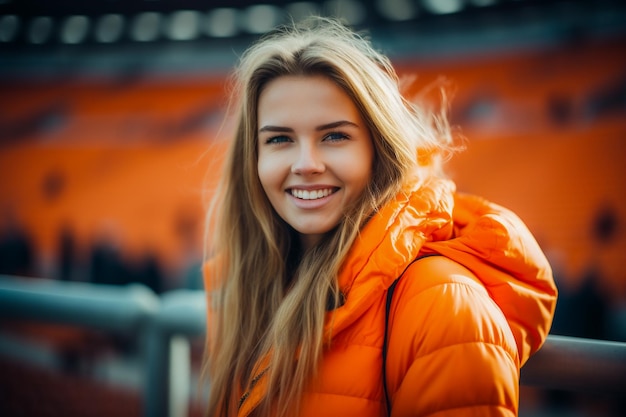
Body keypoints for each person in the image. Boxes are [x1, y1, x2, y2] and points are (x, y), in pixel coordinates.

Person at [201, 16, 557, 417]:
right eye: (280, 139)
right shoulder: (250, 290)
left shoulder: (441, 302)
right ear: (254, 157)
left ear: (379, 151)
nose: (306, 164)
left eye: (334, 136)